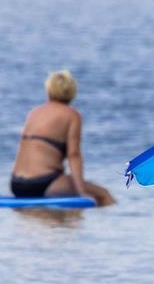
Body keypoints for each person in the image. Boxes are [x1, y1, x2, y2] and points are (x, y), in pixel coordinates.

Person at [9, 70, 114, 205]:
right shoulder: (71, 115)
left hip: (17, 185)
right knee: (103, 194)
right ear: (72, 91)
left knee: (67, 216)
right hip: (43, 184)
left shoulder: (34, 113)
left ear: (49, 90)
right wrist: (81, 191)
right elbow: (73, 155)